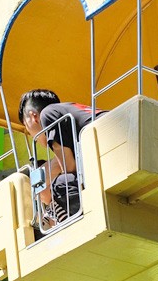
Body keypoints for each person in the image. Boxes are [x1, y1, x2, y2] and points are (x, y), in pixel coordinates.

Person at [18, 89, 101, 224]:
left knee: (61, 185)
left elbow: (70, 168)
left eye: (26, 127)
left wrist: (47, 195)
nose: (31, 135)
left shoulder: (48, 114)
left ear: (34, 117)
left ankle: (83, 226)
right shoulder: (67, 112)